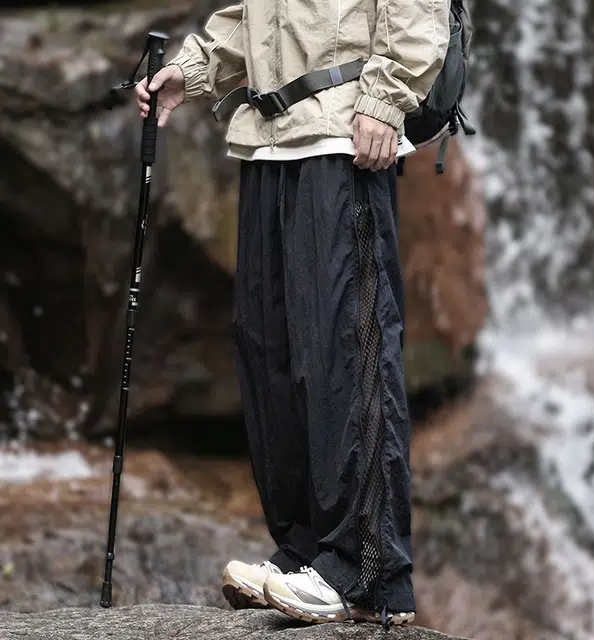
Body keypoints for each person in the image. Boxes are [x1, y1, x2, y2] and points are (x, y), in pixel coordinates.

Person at [136, 0, 450, 627]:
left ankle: (367, 574)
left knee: (345, 349)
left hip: (345, 133)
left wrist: (385, 98)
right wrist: (190, 70)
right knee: (268, 349)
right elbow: (256, 14)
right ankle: (307, 550)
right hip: (266, 140)